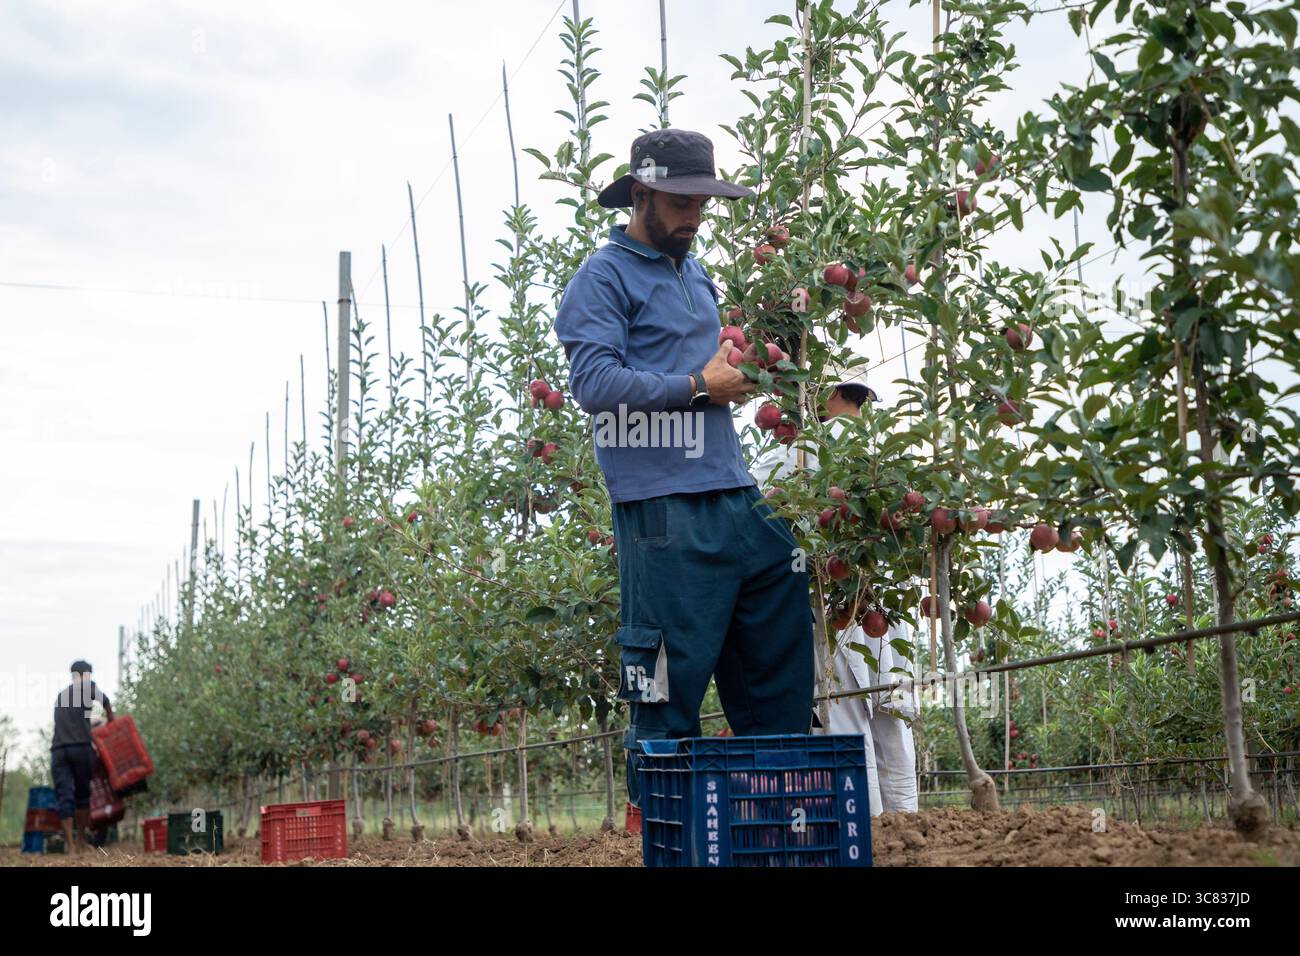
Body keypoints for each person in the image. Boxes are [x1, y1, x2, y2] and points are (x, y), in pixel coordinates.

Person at [554, 128, 814, 808]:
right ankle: (664, 830)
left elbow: (706, 371)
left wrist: (746, 367)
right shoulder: (601, 278)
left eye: (703, 203)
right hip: (662, 506)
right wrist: (698, 387)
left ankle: (776, 814)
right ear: (641, 195)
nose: (695, 216)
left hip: (733, 488)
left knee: (780, 622)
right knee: (666, 686)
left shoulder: (693, 270)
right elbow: (596, 385)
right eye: (682, 203)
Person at [750, 380, 919, 815]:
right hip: (886, 601)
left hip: (835, 597)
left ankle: (871, 829)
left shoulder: (801, 448)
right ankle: (909, 827)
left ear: (829, 396)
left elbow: (753, 500)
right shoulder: (890, 452)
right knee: (893, 719)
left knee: (847, 722)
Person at [51, 660, 114, 853]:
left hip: (59, 750)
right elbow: (106, 701)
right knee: (82, 796)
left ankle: (70, 846)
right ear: (85, 674)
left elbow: (71, 722)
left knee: (65, 797)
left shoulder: (62, 695)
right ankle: (80, 842)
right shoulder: (88, 688)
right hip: (80, 749)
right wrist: (112, 721)